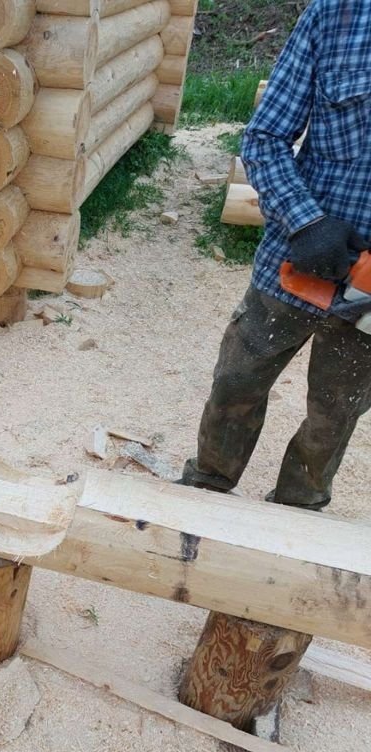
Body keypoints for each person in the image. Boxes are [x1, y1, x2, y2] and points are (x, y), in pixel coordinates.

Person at [181, 0, 371, 510]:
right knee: (237, 380)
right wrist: (306, 222)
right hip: (298, 255)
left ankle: (298, 509)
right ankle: (207, 487)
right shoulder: (337, 15)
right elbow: (265, 137)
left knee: (336, 411)